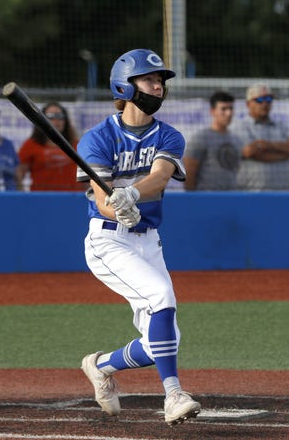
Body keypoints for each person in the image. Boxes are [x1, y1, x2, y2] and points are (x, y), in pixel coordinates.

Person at [76, 48, 201, 426]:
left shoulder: (170, 136)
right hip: (108, 241)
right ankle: (174, 394)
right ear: (124, 86)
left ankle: (100, 366)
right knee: (161, 297)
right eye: (149, 80)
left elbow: (161, 176)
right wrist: (119, 209)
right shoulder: (96, 140)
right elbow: (102, 202)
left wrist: (132, 195)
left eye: (160, 81)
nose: (158, 86)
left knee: (164, 341)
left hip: (149, 241)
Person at [235, 83, 289, 191]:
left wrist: (269, 145)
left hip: (284, 193)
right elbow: (252, 153)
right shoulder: (241, 126)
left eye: (268, 99)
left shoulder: (281, 126)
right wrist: (285, 153)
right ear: (248, 104)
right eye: (260, 100)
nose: (265, 103)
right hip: (253, 194)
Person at [17, 102, 85, 191]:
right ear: (42, 119)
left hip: (72, 199)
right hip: (42, 199)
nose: (56, 121)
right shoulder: (31, 145)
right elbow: (18, 175)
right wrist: (22, 198)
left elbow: (86, 177)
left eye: (60, 116)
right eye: (51, 117)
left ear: (65, 120)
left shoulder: (76, 145)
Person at [183, 91, 243, 190]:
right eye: (223, 109)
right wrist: (192, 200)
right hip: (207, 199)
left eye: (231, 108)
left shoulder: (236, 140)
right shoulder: (201, 138)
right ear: (212, 111)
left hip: (232, 198)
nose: (228, 113)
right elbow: (189, 171)